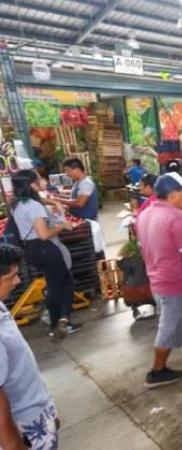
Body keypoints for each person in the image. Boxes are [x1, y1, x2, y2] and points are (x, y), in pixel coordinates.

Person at [0, 244, 61, 450]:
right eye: (11, 276)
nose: (17, 281)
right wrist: (13, 444)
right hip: (24, 428)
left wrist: (49, 413)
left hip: (36, 415)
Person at [136, 173, 182, 388]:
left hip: (156, 276)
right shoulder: (177, 217)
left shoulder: (145, 213)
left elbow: (143, 249)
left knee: (180, 319)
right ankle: (157, 371)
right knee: (169, 326)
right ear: (173, 195)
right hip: (173, 280)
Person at [11, 170, 81, 339]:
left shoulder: (17, 204)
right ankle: (60, 323)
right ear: (32, 185)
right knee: (63, 284)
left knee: (55, 284)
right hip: (45, 248)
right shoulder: (34, 206)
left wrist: (53, 201)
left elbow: (40, 200)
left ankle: (59, 322)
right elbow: (44, 234)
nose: (42, 181)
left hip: (31, 250)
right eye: (39, 179)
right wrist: (63, 226)